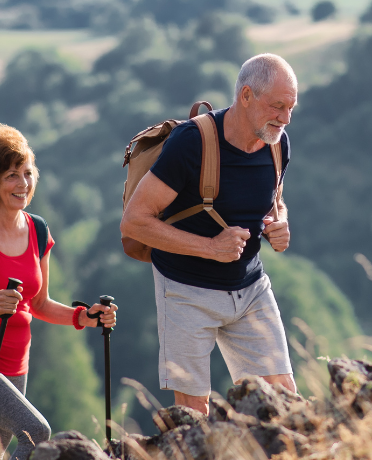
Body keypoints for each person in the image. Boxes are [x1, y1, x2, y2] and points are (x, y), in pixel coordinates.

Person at [120, 53, 297, 414]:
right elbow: (134, 221)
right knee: (192, 415)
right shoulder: (191, 143)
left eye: (291, 108)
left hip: (251, 289)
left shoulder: (277, 143)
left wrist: (278, 223)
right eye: (277, 106)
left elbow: (273, 199)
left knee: (283, 402)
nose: (285, 118)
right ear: (245, 95)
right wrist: (211, 247)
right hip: (185, 290)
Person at [0, 124, 117, 460]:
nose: (23, 183)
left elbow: (39, 303)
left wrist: (85, 317)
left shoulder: (38, 230)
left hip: (15, 362)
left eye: (28, 173)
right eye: (11, 175)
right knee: (35, 432)